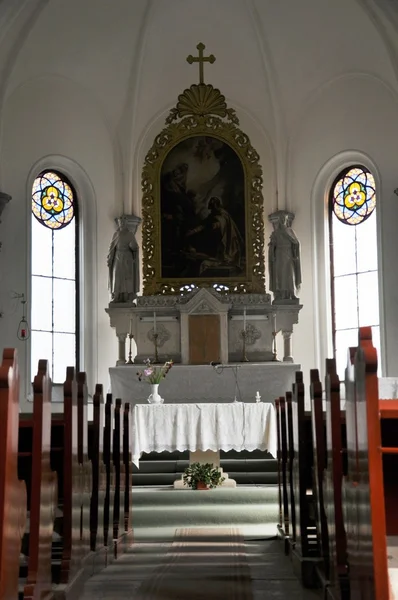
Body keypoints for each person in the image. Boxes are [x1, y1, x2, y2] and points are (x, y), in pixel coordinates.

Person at [185, 196, 244, 273]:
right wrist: (193, 231)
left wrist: (217, 224)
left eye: (213, 206)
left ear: (217, 205)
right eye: (211, 207)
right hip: (217, 238)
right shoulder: (212, 215)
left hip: (227, 238)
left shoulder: (223, 214)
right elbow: (204, 224)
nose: (212, 209)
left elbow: (223, 221)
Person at [268, 212, 301, 301]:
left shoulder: (290, 231)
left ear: (286, 220)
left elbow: (296, 242)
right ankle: (280, 294)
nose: (283, 220)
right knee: (280, 275)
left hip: (289, 255)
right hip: (279, 255)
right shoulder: (275, 233)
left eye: (284, 219)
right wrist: (272, 250)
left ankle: (291, 293)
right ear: (279, 220)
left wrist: (294, 249)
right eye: (281, 219)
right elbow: (272, 246)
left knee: (290, 274)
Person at [107, 216, 139, 303]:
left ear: (126, 223)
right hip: (118, 257)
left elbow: (135, 248)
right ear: (119, 223)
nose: (122, 223)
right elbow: (112, 247)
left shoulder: (130, 234)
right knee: (117, 276)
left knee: (127, 277)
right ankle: (117, 296)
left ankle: (127, 296)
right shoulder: (116, 234)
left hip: (127, 258)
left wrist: (133, 246)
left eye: (124, 222)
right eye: (121, 222)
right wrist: (110, 257)